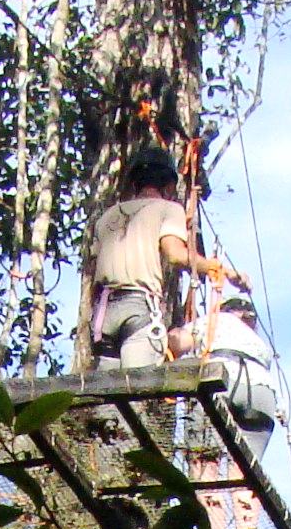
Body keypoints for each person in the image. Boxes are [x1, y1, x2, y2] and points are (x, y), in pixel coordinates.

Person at [85, 144, 241, 370]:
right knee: (136, 390)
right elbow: (175, 254)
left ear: (134, 183)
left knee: (109, 399)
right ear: (169, 185)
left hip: (103, 313)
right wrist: (219, 269)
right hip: (138, 305)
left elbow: (93, 269)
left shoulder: (107, 216)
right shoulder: (168, 209)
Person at [168, 288, 284, 529]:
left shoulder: (214, 321)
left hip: (221, 381)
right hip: (262, 395)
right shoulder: (259, 343)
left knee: (204, 464)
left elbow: (177, 342)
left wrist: (170, 332)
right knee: (245, 472)